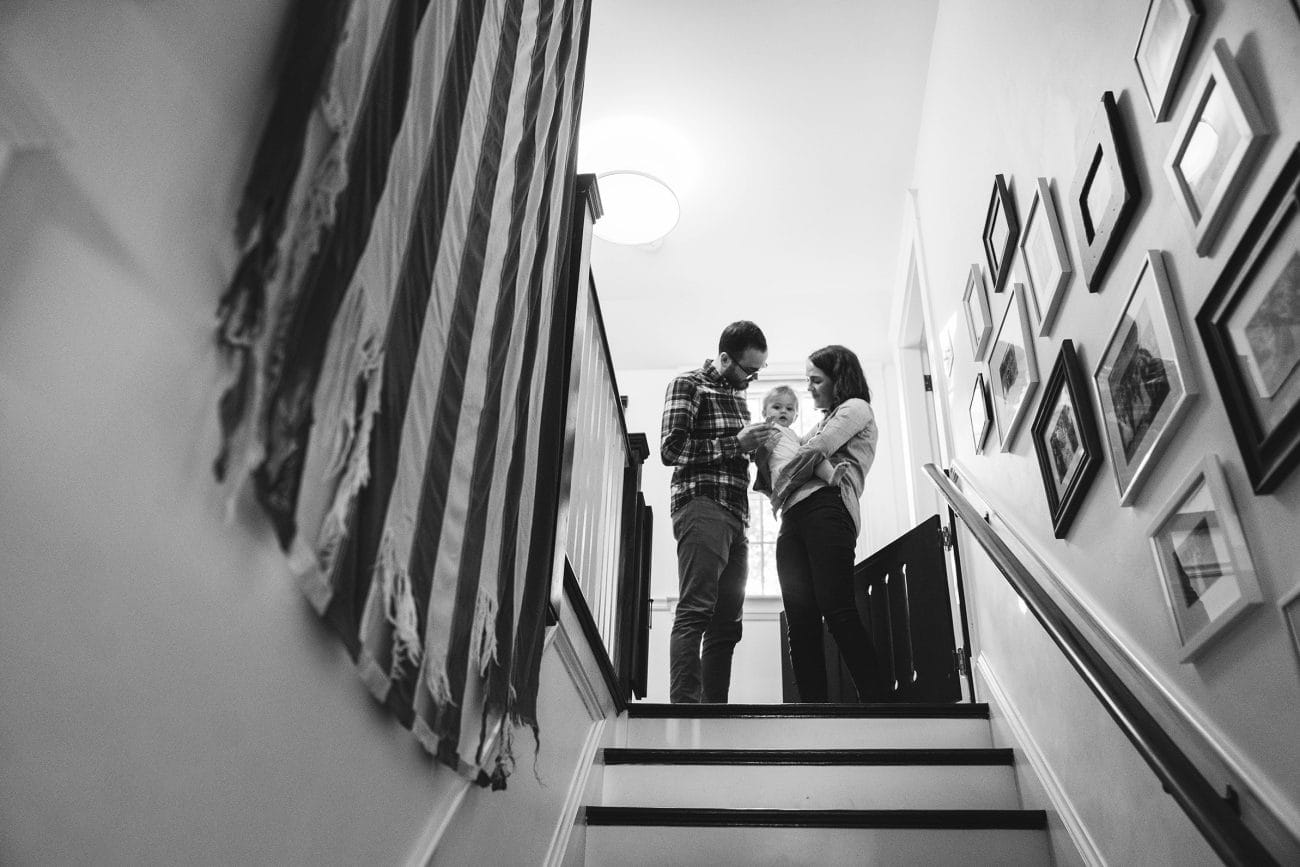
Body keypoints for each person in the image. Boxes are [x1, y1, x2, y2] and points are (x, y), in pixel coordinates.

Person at [660, 320, 776, 703]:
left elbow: (737, 453)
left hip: (737, 517)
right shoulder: (689, 384)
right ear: (725, 357)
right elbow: (671, 451)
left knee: (727, 624)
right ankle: (685, 711)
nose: (752, 378)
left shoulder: (739, 398)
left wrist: (758, 453)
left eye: (759, 371)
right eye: (749, 369)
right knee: (696, 611)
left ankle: (714, 714)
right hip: (701, 505)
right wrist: (734, 442)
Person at [771, 345, 885, 703]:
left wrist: (783, 479)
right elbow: (792, 455)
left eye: (816, 380)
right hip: (792, 519)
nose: (809, 388)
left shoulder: (856, 409)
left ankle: (879, 703)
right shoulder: (822, 421)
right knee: (799, 623)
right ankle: (812, 712)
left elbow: (813, 451)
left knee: (836, 608)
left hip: (828, 509)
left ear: (839, 379)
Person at [753, 384, 848, 516]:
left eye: (789, 408)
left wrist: (821, 426)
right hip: (781, 471)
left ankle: (831, 477)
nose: (783, 411)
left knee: (817, 458)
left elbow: (805, 444)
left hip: (797, 467)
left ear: (796, 416)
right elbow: (755, 451)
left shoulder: (793, 435)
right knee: (798, 465)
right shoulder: (767, 429)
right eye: (776, 407)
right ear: (764, 413)